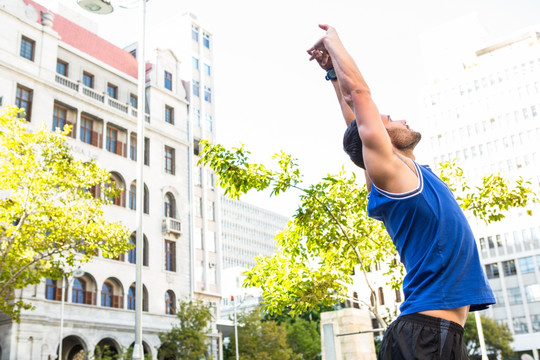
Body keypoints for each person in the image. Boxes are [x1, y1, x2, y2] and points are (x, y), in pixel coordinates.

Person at [307, 24, 495, 359]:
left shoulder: (411, 173)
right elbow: (360, 98)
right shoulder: (391, 174)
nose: (402, 119)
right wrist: (336, 44)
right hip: (424, 333)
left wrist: (334, 73)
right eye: (389, 120)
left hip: (435, 334)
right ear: (378, 139)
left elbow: (353, 114)